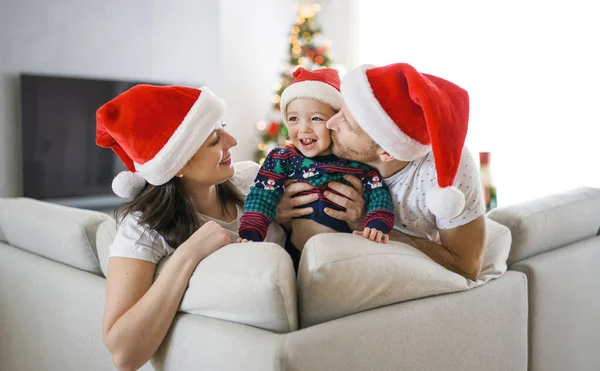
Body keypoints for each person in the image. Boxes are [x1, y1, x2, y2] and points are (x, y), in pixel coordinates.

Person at [95, 84, 297, 370]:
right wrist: (188, 254)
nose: (232, 140)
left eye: (223, 128)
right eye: (215, 140)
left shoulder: (252, 181)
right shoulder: (142, 230)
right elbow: (124, 355)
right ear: (177, 163)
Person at [323, 62, 487, 280]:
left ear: (387, 153)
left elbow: (466, 267)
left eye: (347, 124)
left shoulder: (444, 173)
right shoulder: (337, 144)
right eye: (339, 110)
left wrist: (372, 225)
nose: (329, 123)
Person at [238, 68, 395, 246]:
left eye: (316, 119)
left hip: (346, 252)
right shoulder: (282, 158)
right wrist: (251, 231)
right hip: (296, 253)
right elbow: (261, 194)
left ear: (335, 122)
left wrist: (377, 224)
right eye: (294, 118)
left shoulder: (354, 160)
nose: (304, 128)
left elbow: (378, 193)